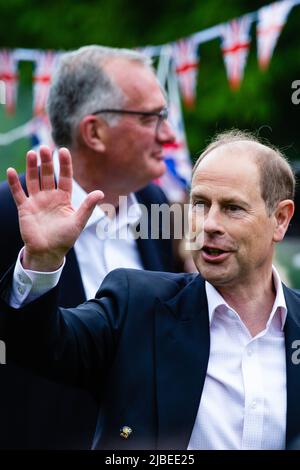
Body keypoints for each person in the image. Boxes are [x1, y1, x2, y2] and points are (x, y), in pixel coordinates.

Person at [1, 129, 299, 450]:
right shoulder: (137, 305)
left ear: (280, 219)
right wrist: (42, 262)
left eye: (232, 208)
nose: (209, 223)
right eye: (199, 204)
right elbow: (40, 348)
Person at [0, 45, 177, 449]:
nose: (168, 134)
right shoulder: (10, 216)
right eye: (151, 118)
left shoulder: (155, 206)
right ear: (94, 132)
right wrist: (40, 264)